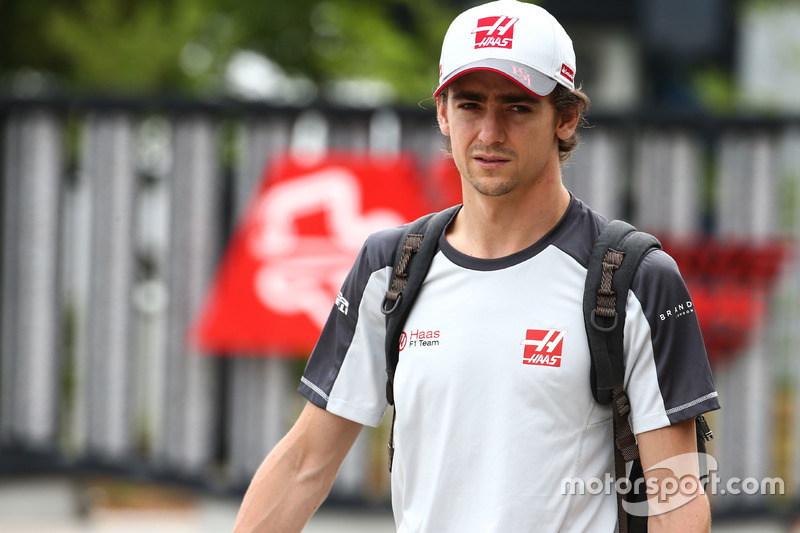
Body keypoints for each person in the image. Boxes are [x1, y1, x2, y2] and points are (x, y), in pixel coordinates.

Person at [233, 1, 720, 531]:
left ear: (566, 117)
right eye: (470, 105)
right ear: (443, 112)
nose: (489, 132)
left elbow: (675, 498)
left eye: (516, 107)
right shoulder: (390, 267)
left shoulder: (637, 278)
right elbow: (304, 464)